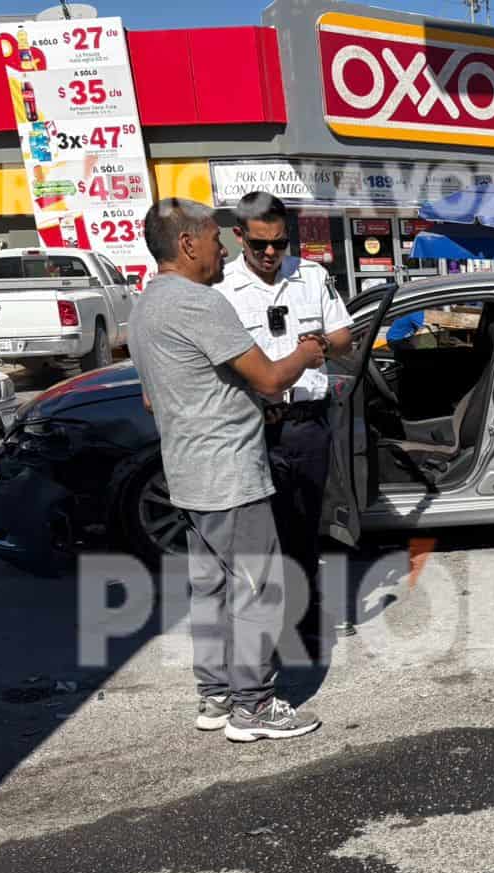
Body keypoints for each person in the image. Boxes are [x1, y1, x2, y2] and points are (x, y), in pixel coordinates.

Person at [128, 198, 325, 743]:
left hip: (186, 470)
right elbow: (268, 378)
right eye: (216, 239)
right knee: (257, 589)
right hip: (229, 471)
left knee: (211, 589)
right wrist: (306, 353)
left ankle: (215, 696)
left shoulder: (144, 307)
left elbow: (154, 398)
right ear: (188, 244)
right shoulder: (199, 303)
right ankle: (254, 707)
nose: (224, 250)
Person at [219, 192, 353, 664]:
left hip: (307, 425)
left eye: (279, 242)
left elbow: (343, 335)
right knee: (256, 537)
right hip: (252, 429)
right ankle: (262, 629)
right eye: (260, 245)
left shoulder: (311, 276)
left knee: (303, 531)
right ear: (239, 236)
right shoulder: (220, 288)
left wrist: (314, 345)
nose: (271, 253)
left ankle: (305, 622)